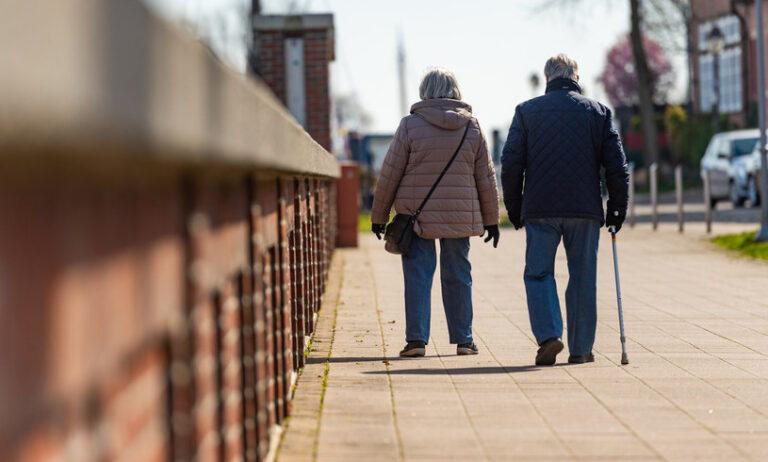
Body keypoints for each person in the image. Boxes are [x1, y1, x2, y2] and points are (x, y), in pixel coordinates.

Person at [501, 54, 629, 366]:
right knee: (583, 276)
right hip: (584, 209)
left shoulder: (526, 111)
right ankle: (581, 349)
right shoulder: (598, 112)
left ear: (547, 79)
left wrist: (514, 208)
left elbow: (511, 164)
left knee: (539, 272)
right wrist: (616, 208)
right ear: (575, 76)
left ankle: (549, 336)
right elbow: (616, 165)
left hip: (541, 208)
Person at [370, 68, 500, 358]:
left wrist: (379, 216)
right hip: (458, 216)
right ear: (455, 91)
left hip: (417, 216)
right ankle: (464, 340)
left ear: (424, 92)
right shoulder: (472, 127)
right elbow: (486, 178)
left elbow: (390, 174)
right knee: (458, 275)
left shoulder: (410, 126)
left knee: (417, 275)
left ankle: (416, 341)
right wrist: (491, 220)